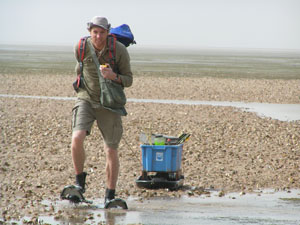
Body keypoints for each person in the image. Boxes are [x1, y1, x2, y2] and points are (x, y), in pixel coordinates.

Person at [71, 16, 133, 204]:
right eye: (95, 32)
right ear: (90, 32)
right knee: (76, 138)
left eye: (102, 32)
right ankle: (79, 184)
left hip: (110, 104)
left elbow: (128, 80)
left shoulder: (119, 50)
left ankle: (110, 196)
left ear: (108, 32)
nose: (98, 36)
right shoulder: (80, 47)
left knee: (110, 150)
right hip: (86, 99)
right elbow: (78, 71)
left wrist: (113, 76)